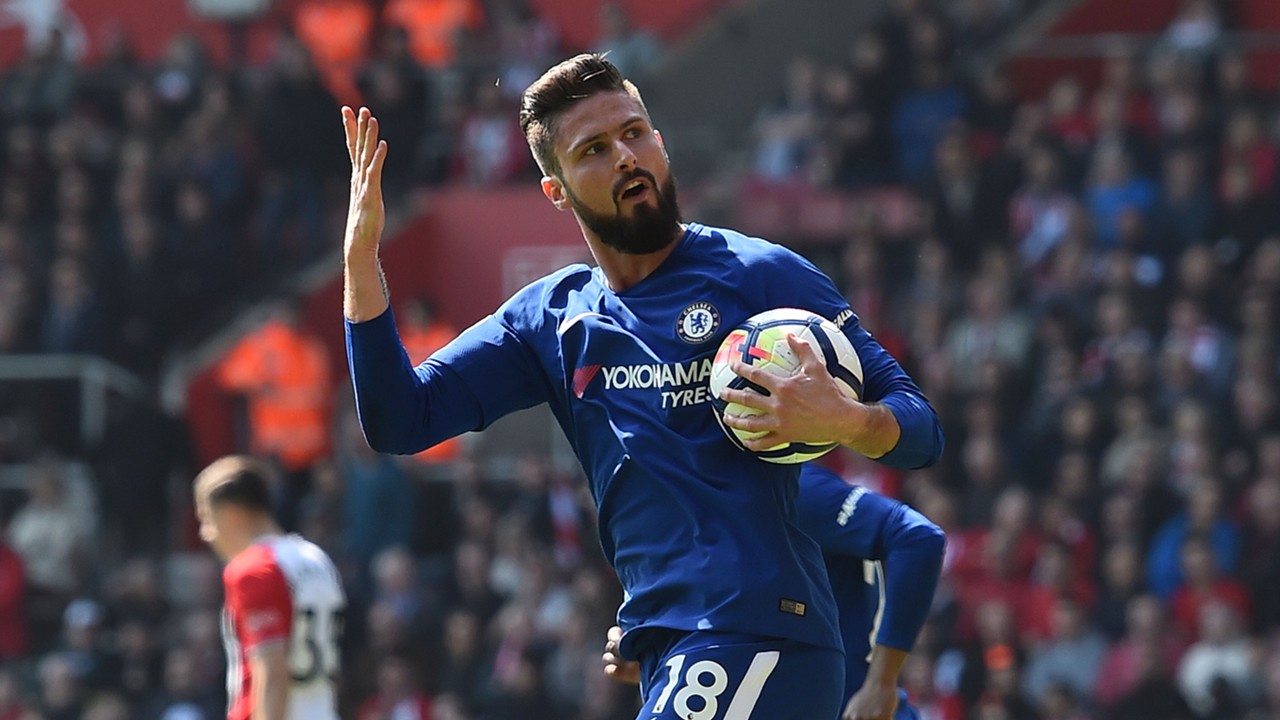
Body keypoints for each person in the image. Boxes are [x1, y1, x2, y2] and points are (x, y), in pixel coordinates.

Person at [342, 53, 944, 719]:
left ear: (659, 142)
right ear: (557, 191)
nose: (626, 156)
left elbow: (920, 428)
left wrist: (848, 420)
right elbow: (401, 420)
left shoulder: (759, 275)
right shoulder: (550, 319)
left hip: (758, 636)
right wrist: (361, 265)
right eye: (594, 149)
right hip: (671, 651)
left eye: (634, 133)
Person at [602, 464, 945, 720]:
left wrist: (881, 682)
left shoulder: (796, 488)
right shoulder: (706, 511)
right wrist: (655, 663)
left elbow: (916, 537)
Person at [194, 455, 346, 720]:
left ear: (230, 512)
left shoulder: (254, 570)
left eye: (208, 519)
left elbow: (273, 675)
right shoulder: (316, 559)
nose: (206, 533)